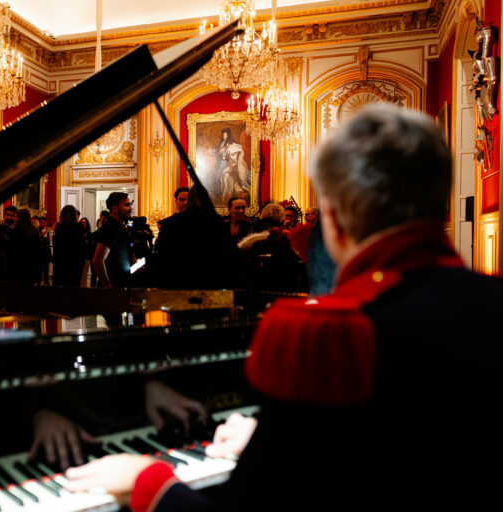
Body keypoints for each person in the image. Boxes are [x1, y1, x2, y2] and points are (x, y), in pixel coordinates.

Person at [64, 104, 503, 510]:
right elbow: (402, 449)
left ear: (329, 216)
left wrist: (147, 480)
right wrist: (278, 440)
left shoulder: (321, 333)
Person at [92, 192, 133, 289]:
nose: (131, 208)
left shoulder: (122, 227)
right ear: (114, 208)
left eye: (131, 204)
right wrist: (107, 285)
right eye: (127, 205)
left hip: (122, 284)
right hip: (114, 287)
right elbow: (97, 260)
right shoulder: (110, 228)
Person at [53, 205, 86, 286]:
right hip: (76, 261)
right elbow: (82, 245)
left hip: (62, 261)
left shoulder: (58, 227)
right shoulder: (79, 226)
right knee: (75, 286)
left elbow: (56, 245)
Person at [8, 208, 43, 284]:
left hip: (19, 267)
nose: (14, 219)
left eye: (15, 216)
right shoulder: (35, 230)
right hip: (32, 266)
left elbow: (13, 250)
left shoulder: (17, 231)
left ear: (20, 218)